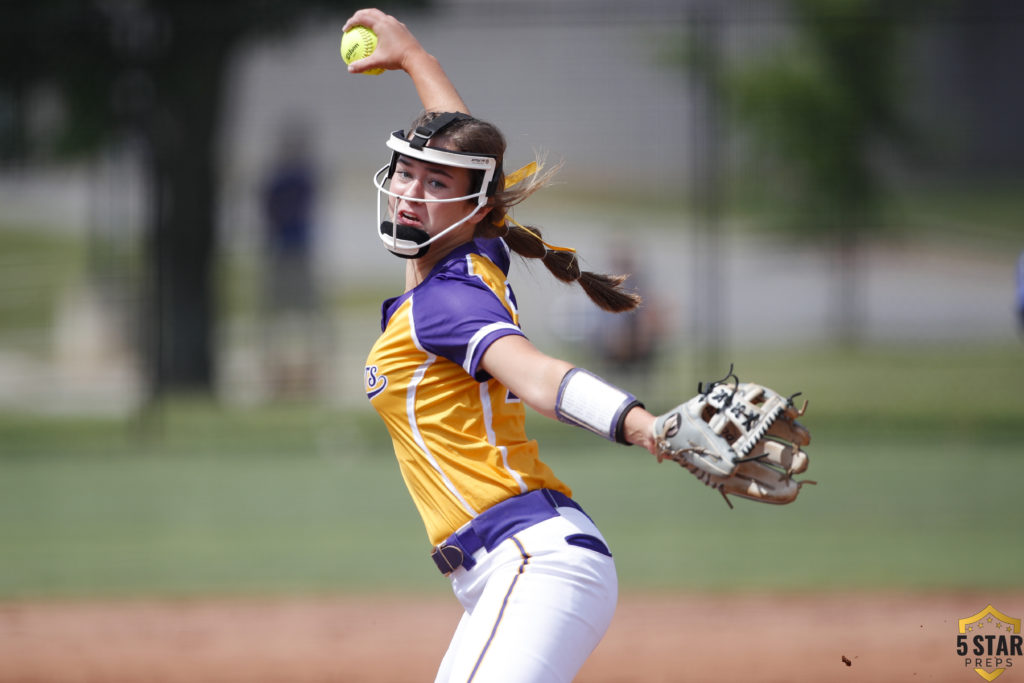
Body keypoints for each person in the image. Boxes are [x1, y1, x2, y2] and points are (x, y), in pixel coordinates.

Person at [344, 9, 711, 682]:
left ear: (474, 209)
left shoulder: (447, 303)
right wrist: (415, 58)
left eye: (434, 185)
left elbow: (538, 379)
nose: (410, 194)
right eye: (406, 173)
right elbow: (469, 155)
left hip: (533, 561)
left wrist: (646, 425)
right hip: (512, 568)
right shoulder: (463, 257)